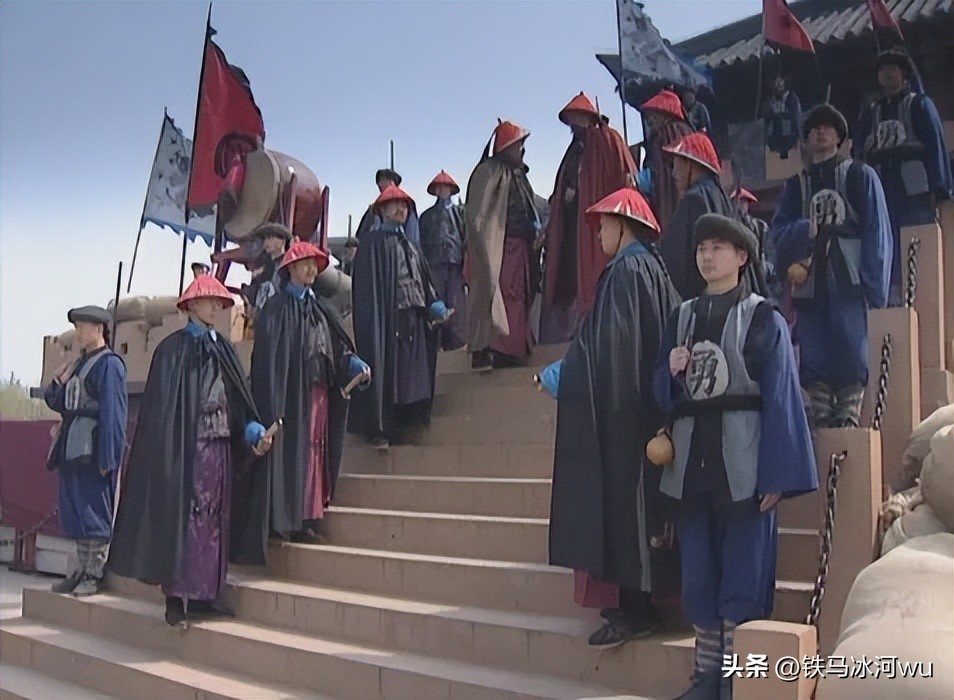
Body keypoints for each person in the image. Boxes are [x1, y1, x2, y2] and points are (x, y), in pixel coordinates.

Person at [654, 214, 818, 700]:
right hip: (691, 464)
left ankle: (734, 683)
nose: (707, 257)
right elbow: (658, 392)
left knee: (743, 580)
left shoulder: (763, 317)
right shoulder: (681, 317)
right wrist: (669, 372)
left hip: (744, 465)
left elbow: (782, 397)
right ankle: (705, 680)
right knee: (699, 577)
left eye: (718, 248)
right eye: (701, 249)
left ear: (742, 256)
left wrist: (778, 474)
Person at [542, 187, 680, 647]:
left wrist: (565, 374)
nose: (599, 233)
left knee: (627, 509)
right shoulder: (653, 268)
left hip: (625, 412)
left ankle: (635, 610)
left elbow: (609, 348)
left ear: (623, 226)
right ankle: (637, 602)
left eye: (604, 225)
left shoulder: (625, 271)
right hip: (646, 407)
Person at [109, 275, 272, 627]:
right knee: (183, 518)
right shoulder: (171, 350)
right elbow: (161, 412)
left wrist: (252, 429)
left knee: (214, 519)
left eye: (220, 303)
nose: (216, 308)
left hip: (221, 448)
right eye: (210, 301)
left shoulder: (225, 349)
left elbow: (239, 402)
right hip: (186, 450)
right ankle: (175, 598)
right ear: (192, 305)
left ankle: (204, 596)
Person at [770, 104, 892, 428]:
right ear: (806, 140)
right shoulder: (796, 186)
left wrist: (873, 284)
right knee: (814, 349)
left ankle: (849, 413)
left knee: (852, 344)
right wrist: (803, 230)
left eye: (828, 127)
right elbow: (777, 233)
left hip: (848, 277)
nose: (820, 131)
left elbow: (876, 230)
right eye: (814, 128)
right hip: (811, 280)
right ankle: (822, 415)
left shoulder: (860, 175)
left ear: (840, 138)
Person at [245, 241, 370, 544]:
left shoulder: (322, 309)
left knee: (314, 453)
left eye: (315, 264)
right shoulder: (275, 310)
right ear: (290, 269)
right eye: (305, 264)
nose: (312, 269)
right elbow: (267, 361)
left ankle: (306, 517)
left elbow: (337, 349)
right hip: (287, 397)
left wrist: (352, 363)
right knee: (288, 455)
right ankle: (281, 520)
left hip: (319, 393)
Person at [348, 184, 451, 449]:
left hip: (415, 319)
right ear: (382, 210)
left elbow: (424, 281)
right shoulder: (371, 244)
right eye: (394, 205)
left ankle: (409, 421)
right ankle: (380, 429)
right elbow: (366, 292)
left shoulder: (412, 245)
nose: (400, 209)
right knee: (386, 374)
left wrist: (434, 305)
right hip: (387, 321)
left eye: (404, 205)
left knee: (412, 377)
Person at [855, 48, 953, 305]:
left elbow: (935, 146)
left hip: (914, 187)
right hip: (882, 184)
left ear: (904, 74)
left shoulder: (919, 105)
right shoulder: (872, 111)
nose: (887, 74)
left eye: (893, 68)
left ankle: (919, 295)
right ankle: (889, 294)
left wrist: (939, 187)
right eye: (882, 69)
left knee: (915, 238)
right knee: (885, 240)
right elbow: (858, 151)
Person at [43, 305, 127, 597]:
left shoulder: (110, 365)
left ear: (98, 329)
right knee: (76, 511)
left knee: (95, 512)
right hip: (72, 446)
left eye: (83, 327)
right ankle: (80, 570)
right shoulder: (78, 364)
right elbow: (59, 402)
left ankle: (94, 572)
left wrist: (109, 455)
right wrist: (58, 382)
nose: (78, 332)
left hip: (93, 447)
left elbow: (114, 413)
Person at [544, 91, 637, 316]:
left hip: (600, 227)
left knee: (599, 280)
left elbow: (624, 180)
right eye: (570, 120)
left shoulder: (608, 140)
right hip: (573, 228)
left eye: (576, 118)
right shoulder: (574, 151)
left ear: (588, 117)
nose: (573, 125)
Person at [465, 119, 543, 371]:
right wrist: (487, 246)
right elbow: (478, 216)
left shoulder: (519, 175)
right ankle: (498, 350)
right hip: (501, 248)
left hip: (521, 248)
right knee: (499, 296)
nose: (523, 150)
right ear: (507, 146)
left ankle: (514, 348)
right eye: (519, 145)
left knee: (518, 298)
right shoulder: (488, 172)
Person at [659, 132, 763, 300]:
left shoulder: (694, 200)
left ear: (689, 163)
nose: (673, 173)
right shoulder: (723, 197)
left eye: (676, 164)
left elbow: (678, 262)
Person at [419, 169, 468, 351]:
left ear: (451, 190)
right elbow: (421, 243)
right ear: (436, 191)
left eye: (446, 187)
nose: (443, 191)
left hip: (456, 264)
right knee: (436, 303)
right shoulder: (426, 216)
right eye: (439, 188)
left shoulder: (461, 213)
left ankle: (456, 345)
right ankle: (435, 344)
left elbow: (466, 239)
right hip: (433, 265)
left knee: (456, 305)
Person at [638, 89, 694, 232]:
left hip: (672, 204)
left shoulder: (670, 132)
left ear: (663, 114)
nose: (649, 120)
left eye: (653, 114)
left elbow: (663, 172)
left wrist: (643, 180)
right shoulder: (685, 131)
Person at [732, 187, 778, 298]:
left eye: (745, 202)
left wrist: (766, 268)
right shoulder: (729, 225)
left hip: (758, 272)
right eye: (739, 201)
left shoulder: (759, 226)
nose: (742, 205)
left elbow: (769, 251)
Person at [356, 168, 421, 245]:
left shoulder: (407, 205)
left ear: (391, 183)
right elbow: (361, 235)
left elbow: (412, 236)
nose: (380, 187)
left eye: (382, 183)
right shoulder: (373, 209)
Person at [245, 223, 293, 319]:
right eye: (265, 239)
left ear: (282, 241)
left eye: (270, 238)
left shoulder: (289, 265)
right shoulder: (265, 265)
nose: (266, 242)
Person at [762, 75, 802, 159]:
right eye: (776, 83)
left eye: (780, 82)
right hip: (777, 128)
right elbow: (766, 118)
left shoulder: (791, 97)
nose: (778, 85)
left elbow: (796, 116)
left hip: (784, 127)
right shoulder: (770, 99)